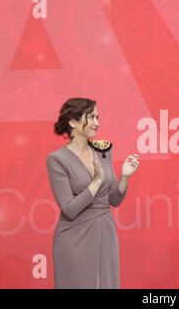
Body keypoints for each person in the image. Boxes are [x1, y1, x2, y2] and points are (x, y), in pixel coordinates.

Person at [46, 97, 140, 288]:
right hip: (74, 236)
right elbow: (69, 210)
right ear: (73, 121)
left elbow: (114, 200)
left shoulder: (102, 151)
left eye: (98, 117)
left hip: (106, 231)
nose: (97, 123)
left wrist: (124, 176)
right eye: (91, 117)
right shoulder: (57, 159)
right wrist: (96, 182)